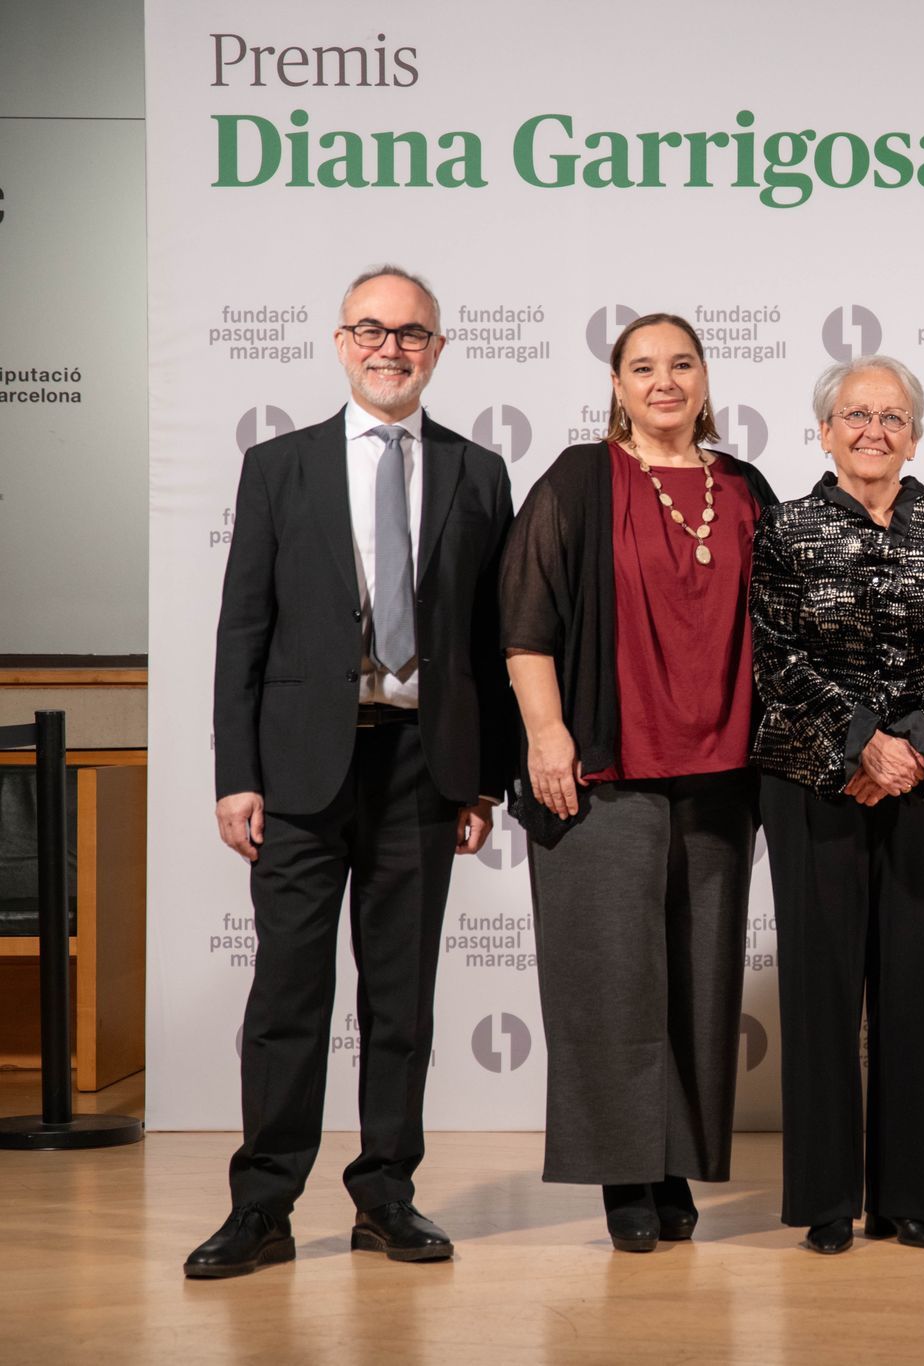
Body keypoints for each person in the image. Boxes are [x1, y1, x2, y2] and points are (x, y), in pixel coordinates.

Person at [189, 265, 513, 1278]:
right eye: (371, 329)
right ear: (340, 342)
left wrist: (485, 779)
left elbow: (492, 640)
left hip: (425, 764)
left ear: (438, 349)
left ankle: (386, 1197)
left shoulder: (477, 472)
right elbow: (244, 626)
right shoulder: (278, 466)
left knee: (400, 999)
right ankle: (262, 1208)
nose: (390, 347)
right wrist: (236, 771)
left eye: (411, 333)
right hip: (294, 770)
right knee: (289, 995)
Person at [497, 312, 777, 1252]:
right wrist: (546, 736)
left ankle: (675, 1164)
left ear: (705, 379)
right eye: (644, 366)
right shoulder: (579, 479)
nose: (665, 381)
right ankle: (624, 1173)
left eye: (682, 364)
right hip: (605, 770)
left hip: (724, 776)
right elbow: (526, 622)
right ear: (616, 385)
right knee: (609, 980)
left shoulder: (744, 487)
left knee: (700, 980)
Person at [751, 355, 924, 1255]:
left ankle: (914, 1197)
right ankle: (824, 1199)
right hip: (814, 781)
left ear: (915, 435)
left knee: (922, 990)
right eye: (856, 415)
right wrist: (861, 742)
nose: (873, 431)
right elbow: (775, 654)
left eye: (892, 417)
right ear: (824, 430)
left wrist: (911, 747)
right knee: (820, 992)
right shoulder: (783, 529)